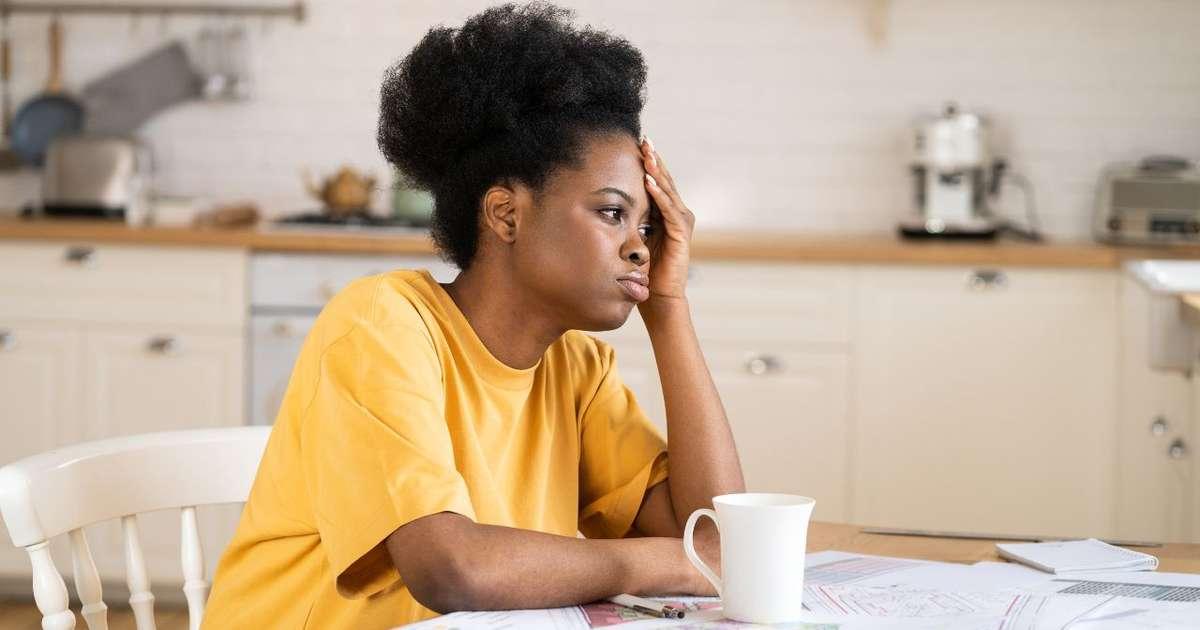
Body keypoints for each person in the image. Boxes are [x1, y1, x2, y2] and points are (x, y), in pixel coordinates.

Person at [201, 4, 744, 628]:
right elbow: (450, 568)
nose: (641, 246)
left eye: (647, 226)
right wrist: (651, 564)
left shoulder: (578, 369)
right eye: (612, 213)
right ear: (506, 214)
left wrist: (669, 309)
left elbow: (713, 538)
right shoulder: (383, 326)